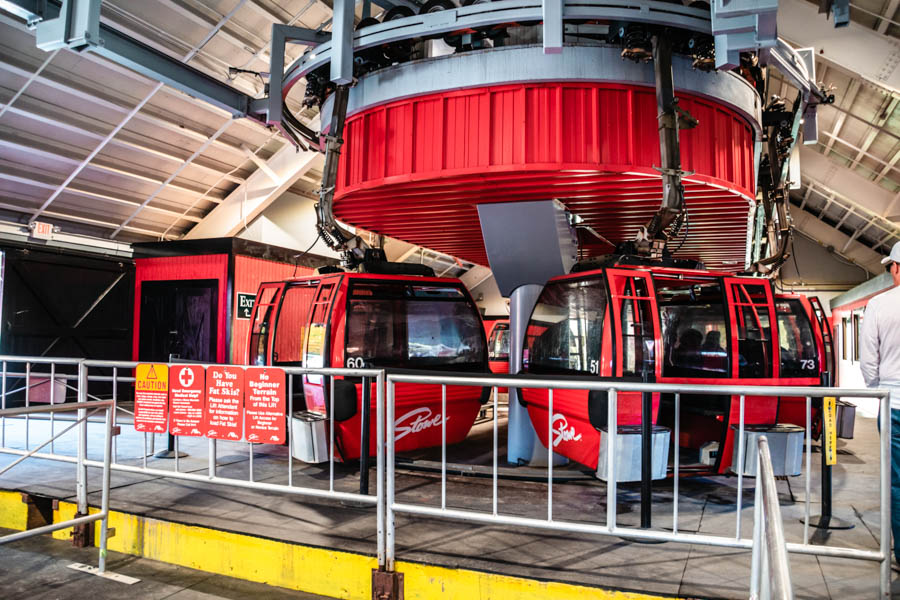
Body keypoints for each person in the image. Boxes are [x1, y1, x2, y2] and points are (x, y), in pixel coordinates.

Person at [860, 241, 900, 565]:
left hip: (895, 404)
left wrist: (877, 386)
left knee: (898, 483)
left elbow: (868, 362)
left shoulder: (879, 305)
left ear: (896, 268)